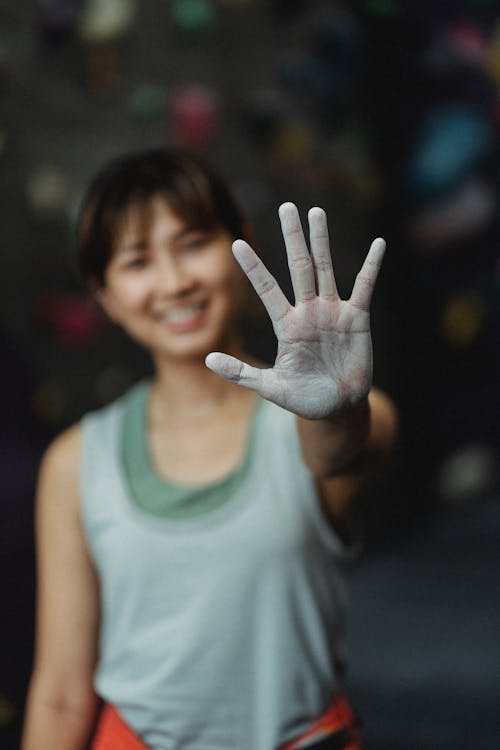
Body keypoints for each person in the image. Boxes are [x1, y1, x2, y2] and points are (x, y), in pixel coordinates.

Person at [21, 148, 397, 750]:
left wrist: (337, 406)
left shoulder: (343, 413)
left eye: (193, 243)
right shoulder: (75, 461)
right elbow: (61, 692)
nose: (173, 283)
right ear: (107, 297)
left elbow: (340, 451)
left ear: (239, 246)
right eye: (138, 261)